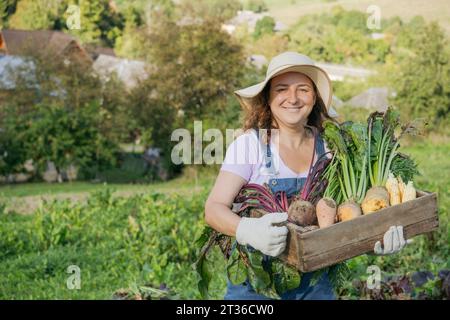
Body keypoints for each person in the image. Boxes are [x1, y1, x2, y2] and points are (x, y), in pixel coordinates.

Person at [204, 52, 409, 300]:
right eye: (281, 89)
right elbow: (214, 209)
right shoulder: (250, 145)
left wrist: (373, 239)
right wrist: (246, 229)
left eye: (303, 89)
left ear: (314, 98)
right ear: (268, 98)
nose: (293, 98)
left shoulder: (332, 149)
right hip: (256, 288)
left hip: (317, 287)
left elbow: (345, 217)